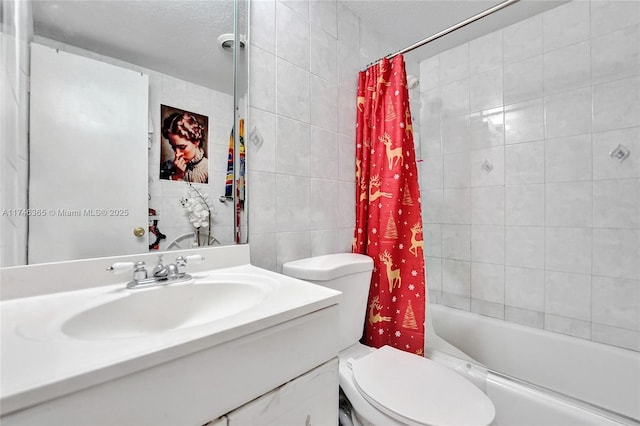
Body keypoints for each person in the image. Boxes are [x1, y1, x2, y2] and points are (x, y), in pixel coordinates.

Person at [160, 112, 209, 183]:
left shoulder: (208, 170)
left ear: (196, 142)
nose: (177, 154)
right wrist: (176, 177)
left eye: (182, 147)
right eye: (173, 147)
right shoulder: (167, 167)